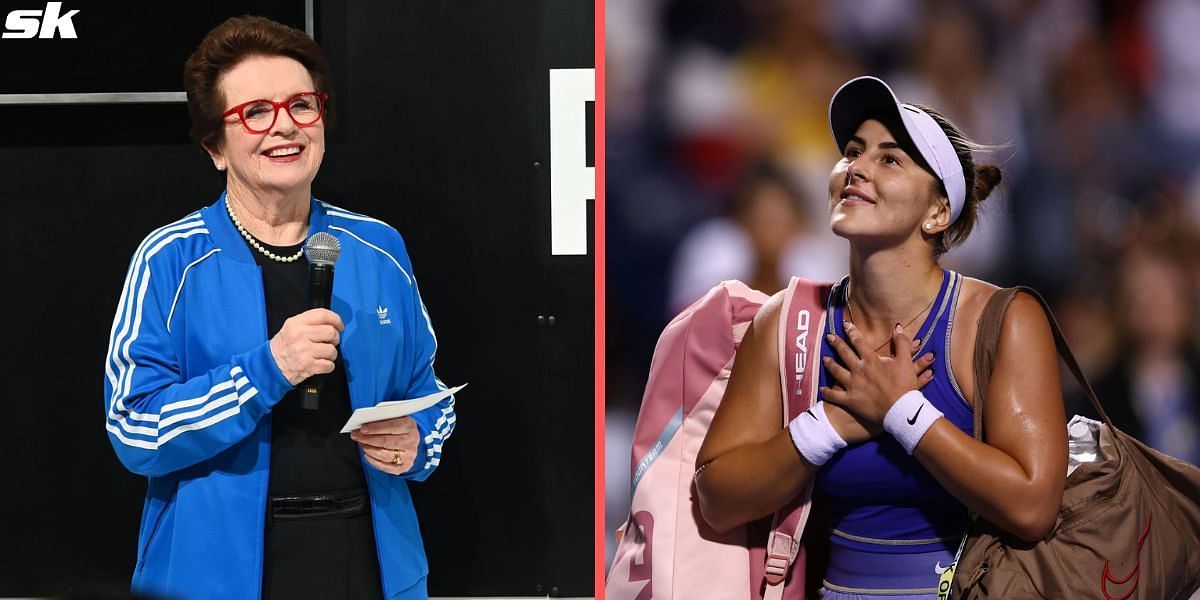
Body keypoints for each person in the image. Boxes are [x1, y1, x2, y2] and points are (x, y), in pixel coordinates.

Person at [101, 16, 455, 600]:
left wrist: (420, 440)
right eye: (255, 112)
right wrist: (268, 370)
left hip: (367, 560)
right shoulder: (169, 258)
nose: (284, 127)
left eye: (301, 105)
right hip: (215, 572)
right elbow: (134, 429)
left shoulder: (379, 247)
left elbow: (431, 394)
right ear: (215, 146)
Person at [694, 76, 1067, 598]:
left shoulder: (1003, 320)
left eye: (890, 159)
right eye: (852, 152)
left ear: (937, 213)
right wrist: (834, 423)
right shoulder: (786, 322)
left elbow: (1032, 506)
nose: (857, 168)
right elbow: (716, 497)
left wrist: (903, 414)